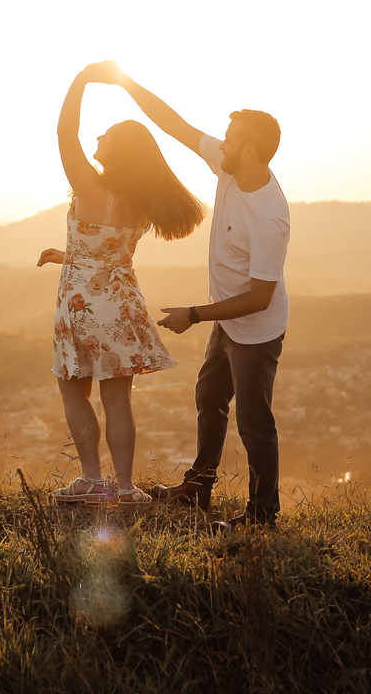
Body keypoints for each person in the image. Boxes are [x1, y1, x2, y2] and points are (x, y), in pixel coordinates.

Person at [92, 61, 289, 528]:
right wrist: (125, 82)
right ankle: (199, 487)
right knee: (209, 394)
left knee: (254, 420)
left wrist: (197, 314)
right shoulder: (228, 169)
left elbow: (261, 295)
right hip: (226, 319)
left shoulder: (270, 215)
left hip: (256, 329)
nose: (222, 141)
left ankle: (263, 515)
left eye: (231, 136)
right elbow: (173, 124)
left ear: (253, 149)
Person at [37, 64, 205, 507]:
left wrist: (80, 80)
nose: (97, 140)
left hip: (82, 302)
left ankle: (93, 481)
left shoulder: (91, 189)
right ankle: (126, 488)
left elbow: (63, 134)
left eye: (106, 135)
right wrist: (67, 253)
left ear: (121, 151)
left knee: (74, 390)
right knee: (118, 400)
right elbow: (106, 249)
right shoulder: (139, 201)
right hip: (122, 300)